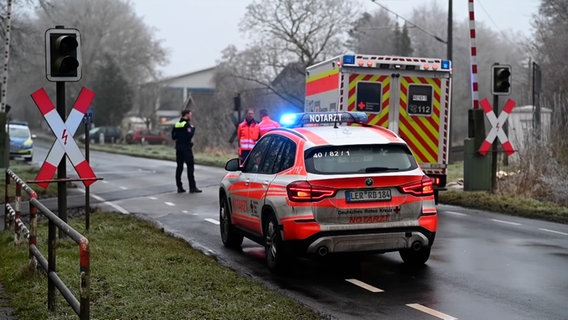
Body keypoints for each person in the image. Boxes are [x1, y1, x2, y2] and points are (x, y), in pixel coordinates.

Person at [171, 109, 202, 193]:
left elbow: (173, 137)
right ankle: (192, 187)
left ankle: (179, 187)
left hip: (178, 148)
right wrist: (193, 129)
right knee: (190, 166)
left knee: (179, 167)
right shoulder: (187, 125)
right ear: (187, 115)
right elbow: (189, 135)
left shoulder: (177, 124)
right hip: (186, 148)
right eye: (190, 114)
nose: (191, 116)